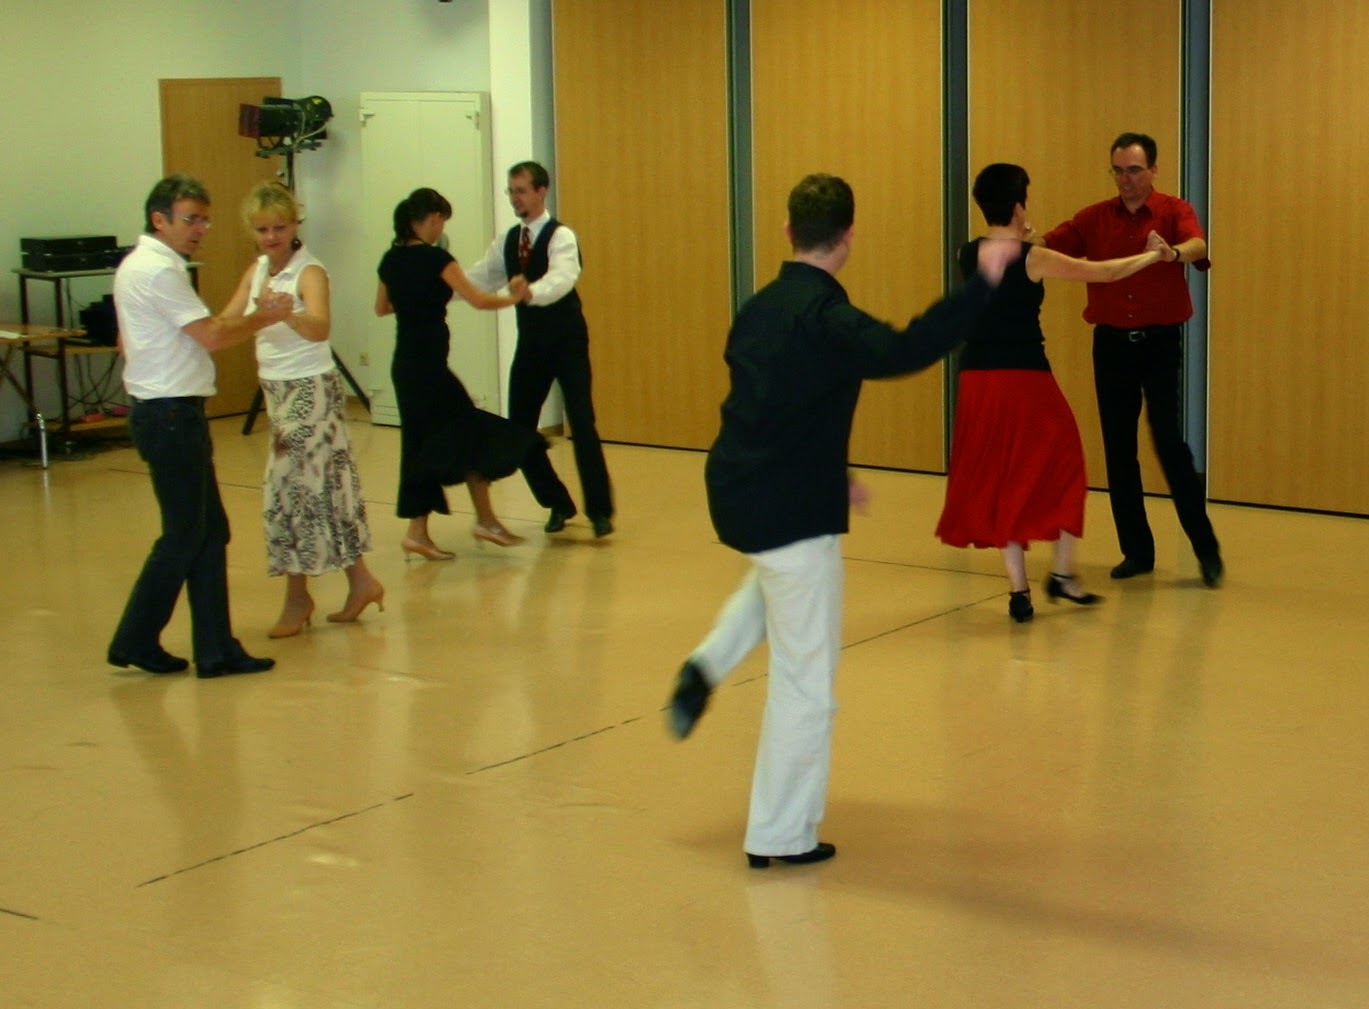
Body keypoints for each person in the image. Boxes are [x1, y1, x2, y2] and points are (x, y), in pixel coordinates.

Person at [665, 173, 1018, 868]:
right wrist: (981, 282)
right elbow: (905, 348)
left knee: (774, 579)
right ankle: (779, 833)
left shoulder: (760, 306)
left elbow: (780, 396)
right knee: (805, 681)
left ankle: (704, 665)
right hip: (788, 507)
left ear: (789, 232)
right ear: (849, 236)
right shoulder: (827, 316)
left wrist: (834, 470)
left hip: (737, 488)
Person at [937, 163, 1170, 622]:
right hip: (1024, 378)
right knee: (1065, 463)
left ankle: (1020, 590)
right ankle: (1062, 575)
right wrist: (1152, 256)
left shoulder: (967, 252)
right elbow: (1101, 273)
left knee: (1004, 477)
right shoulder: (1032, 257)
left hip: (978, 379)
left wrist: (1026, 234)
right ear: (1019, 203)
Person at [106, 174, 290, 679]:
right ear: (159, 219)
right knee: (186, 535)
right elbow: (209, 335)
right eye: (191, 219)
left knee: (208, 532)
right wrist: (265, 316)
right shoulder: (157, 271)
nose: (200, 229)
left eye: (204, 219)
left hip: (169, 411)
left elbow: (133, 342)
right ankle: (136, 638)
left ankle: (215, 649)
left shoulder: (143, 265)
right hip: (168, 415)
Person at [1042, 132, 1223, 587]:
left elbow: (1198, 246)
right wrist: (1018, 241)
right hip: (1111, 345)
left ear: (1153, 170)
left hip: (1160, 344)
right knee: (1119, 448)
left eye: (1135, 170)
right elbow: (1051, 245)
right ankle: (1137, 551)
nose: (1126, 179)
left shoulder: (1173, 211)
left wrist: (1173, 253)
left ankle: (1205, 549)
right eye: (1119, 170)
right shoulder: (1094, 218)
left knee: (1168, 441)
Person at [219, 182, 384, 638]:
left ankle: (297, 595)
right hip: (276, 392)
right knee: (324, 488)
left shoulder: (309, 272)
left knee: (288, 489)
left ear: (295, 225)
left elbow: (320, 327)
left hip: (310, 391)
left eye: (279, 227)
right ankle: (362, 581)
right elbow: (228, 319)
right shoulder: (256, 271)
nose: (271, 237)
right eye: (262, 229)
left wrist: (285, 313)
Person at [376, 187, 546, 560]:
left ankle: (458, 524)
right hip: (430, 367)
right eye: (442, 222)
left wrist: (415, 301)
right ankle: (455, 525)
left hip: (406, 365)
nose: (441, 230)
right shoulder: (437, 258)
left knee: (435, 439)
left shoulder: (390, 259)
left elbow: (382, 307)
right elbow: (479, 299)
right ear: (434, 218)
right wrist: (516, 298)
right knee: (463, 431)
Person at [464, 161, 614, 538]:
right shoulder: (508, 241)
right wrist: (441, 282)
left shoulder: (562, 236)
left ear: (541, 191)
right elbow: (480, 276)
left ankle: (600, 511)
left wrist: (531, 292)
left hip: (567, 342)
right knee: (519, 428)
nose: (515, 198)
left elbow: (563, 279)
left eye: (521, 190)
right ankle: (557, 502)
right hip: (531, 344)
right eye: (511, 191)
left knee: (582, 420)